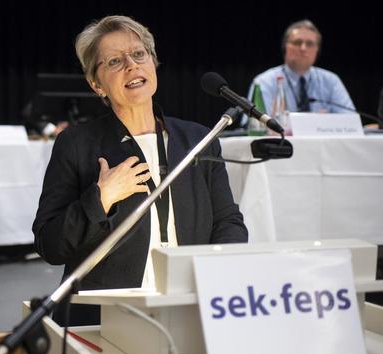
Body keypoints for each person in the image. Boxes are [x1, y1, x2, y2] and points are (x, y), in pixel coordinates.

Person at [32, 15, 247, 326]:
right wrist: (101, 199)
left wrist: (216, 281)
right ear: (97, 85)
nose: (131, 66)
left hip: (191, 307)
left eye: (138, 54)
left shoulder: (198, 140)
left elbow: (228, 223)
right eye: (115, 62)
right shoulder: (77, 144)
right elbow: (49, 245)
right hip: (106, 318)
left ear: (153, 63)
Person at [244, 19, 354, 126]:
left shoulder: (331, 81)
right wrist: (317, 122)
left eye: (309, 44)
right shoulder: (264, 82)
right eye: (297, 42)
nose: (303, 48)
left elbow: (350, 122)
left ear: (317, 50)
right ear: (285, 47)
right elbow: (258, 125)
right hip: (281, 144)